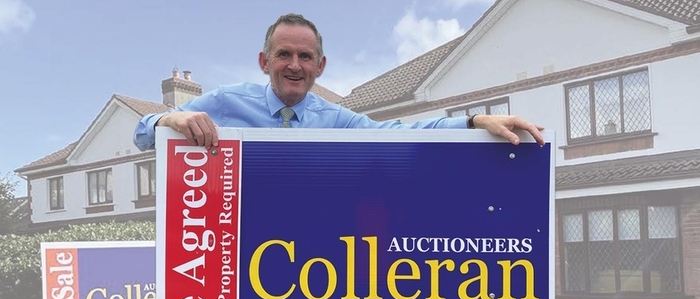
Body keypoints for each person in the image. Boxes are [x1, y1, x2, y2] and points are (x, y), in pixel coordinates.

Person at [133, 13, 544, 151]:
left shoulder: (337, 119)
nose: (295, 65)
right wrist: (168, 120)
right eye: (284, 54)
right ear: (264, 61)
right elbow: (142, 135)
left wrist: (474, 122)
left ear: (320, 66)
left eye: (305, 57)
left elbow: (401, 134)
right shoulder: (224, 101)